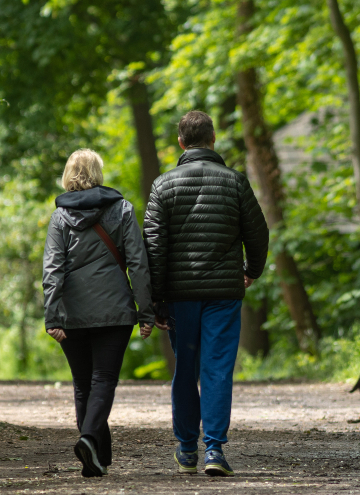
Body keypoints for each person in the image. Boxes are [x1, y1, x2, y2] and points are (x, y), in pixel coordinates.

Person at [144, 110, 269, 477]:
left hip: (180, 296)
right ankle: (214, 450)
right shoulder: (235, 182)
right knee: (216, 369)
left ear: (180, 143)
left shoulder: (163, 185)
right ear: (213, 140)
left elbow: (153, 246)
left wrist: (156, 299)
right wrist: (251, 271)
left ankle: (186, 450)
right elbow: (258, 234)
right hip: (222, 294)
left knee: (186, 369)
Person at [44, 148, 156, 478]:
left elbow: (53, 270)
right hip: (115, 311)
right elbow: (138, 264)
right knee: (103, 380)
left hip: (72, 313)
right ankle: (91, 442)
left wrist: (52, 315)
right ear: (98, 172)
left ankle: (97, 455)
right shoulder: (121, 210)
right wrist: (145, 311)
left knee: (83, 385)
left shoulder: (59, 217)